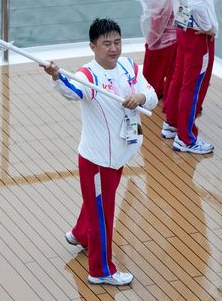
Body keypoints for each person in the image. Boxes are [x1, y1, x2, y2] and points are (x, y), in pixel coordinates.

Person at [42, 18, 158, 286]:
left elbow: (150, 93)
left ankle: (80, 234)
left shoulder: (130, 66)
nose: (113, 48)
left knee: (98, 205)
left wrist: (140, 98)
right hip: (97, 162)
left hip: (121, 154)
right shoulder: (87, 76)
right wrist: (57, 76)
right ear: (93, 46)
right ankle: (100, 270)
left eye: (117, 42)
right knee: (103, 215)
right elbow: (72, 92)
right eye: (106, 44)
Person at [165, 0, 219, 154]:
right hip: (197, 34)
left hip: (183, 26)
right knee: (192, 85)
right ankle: (185, 138)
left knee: (179, 76)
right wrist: (207, 26)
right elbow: (197, 2)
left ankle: (171, 123)